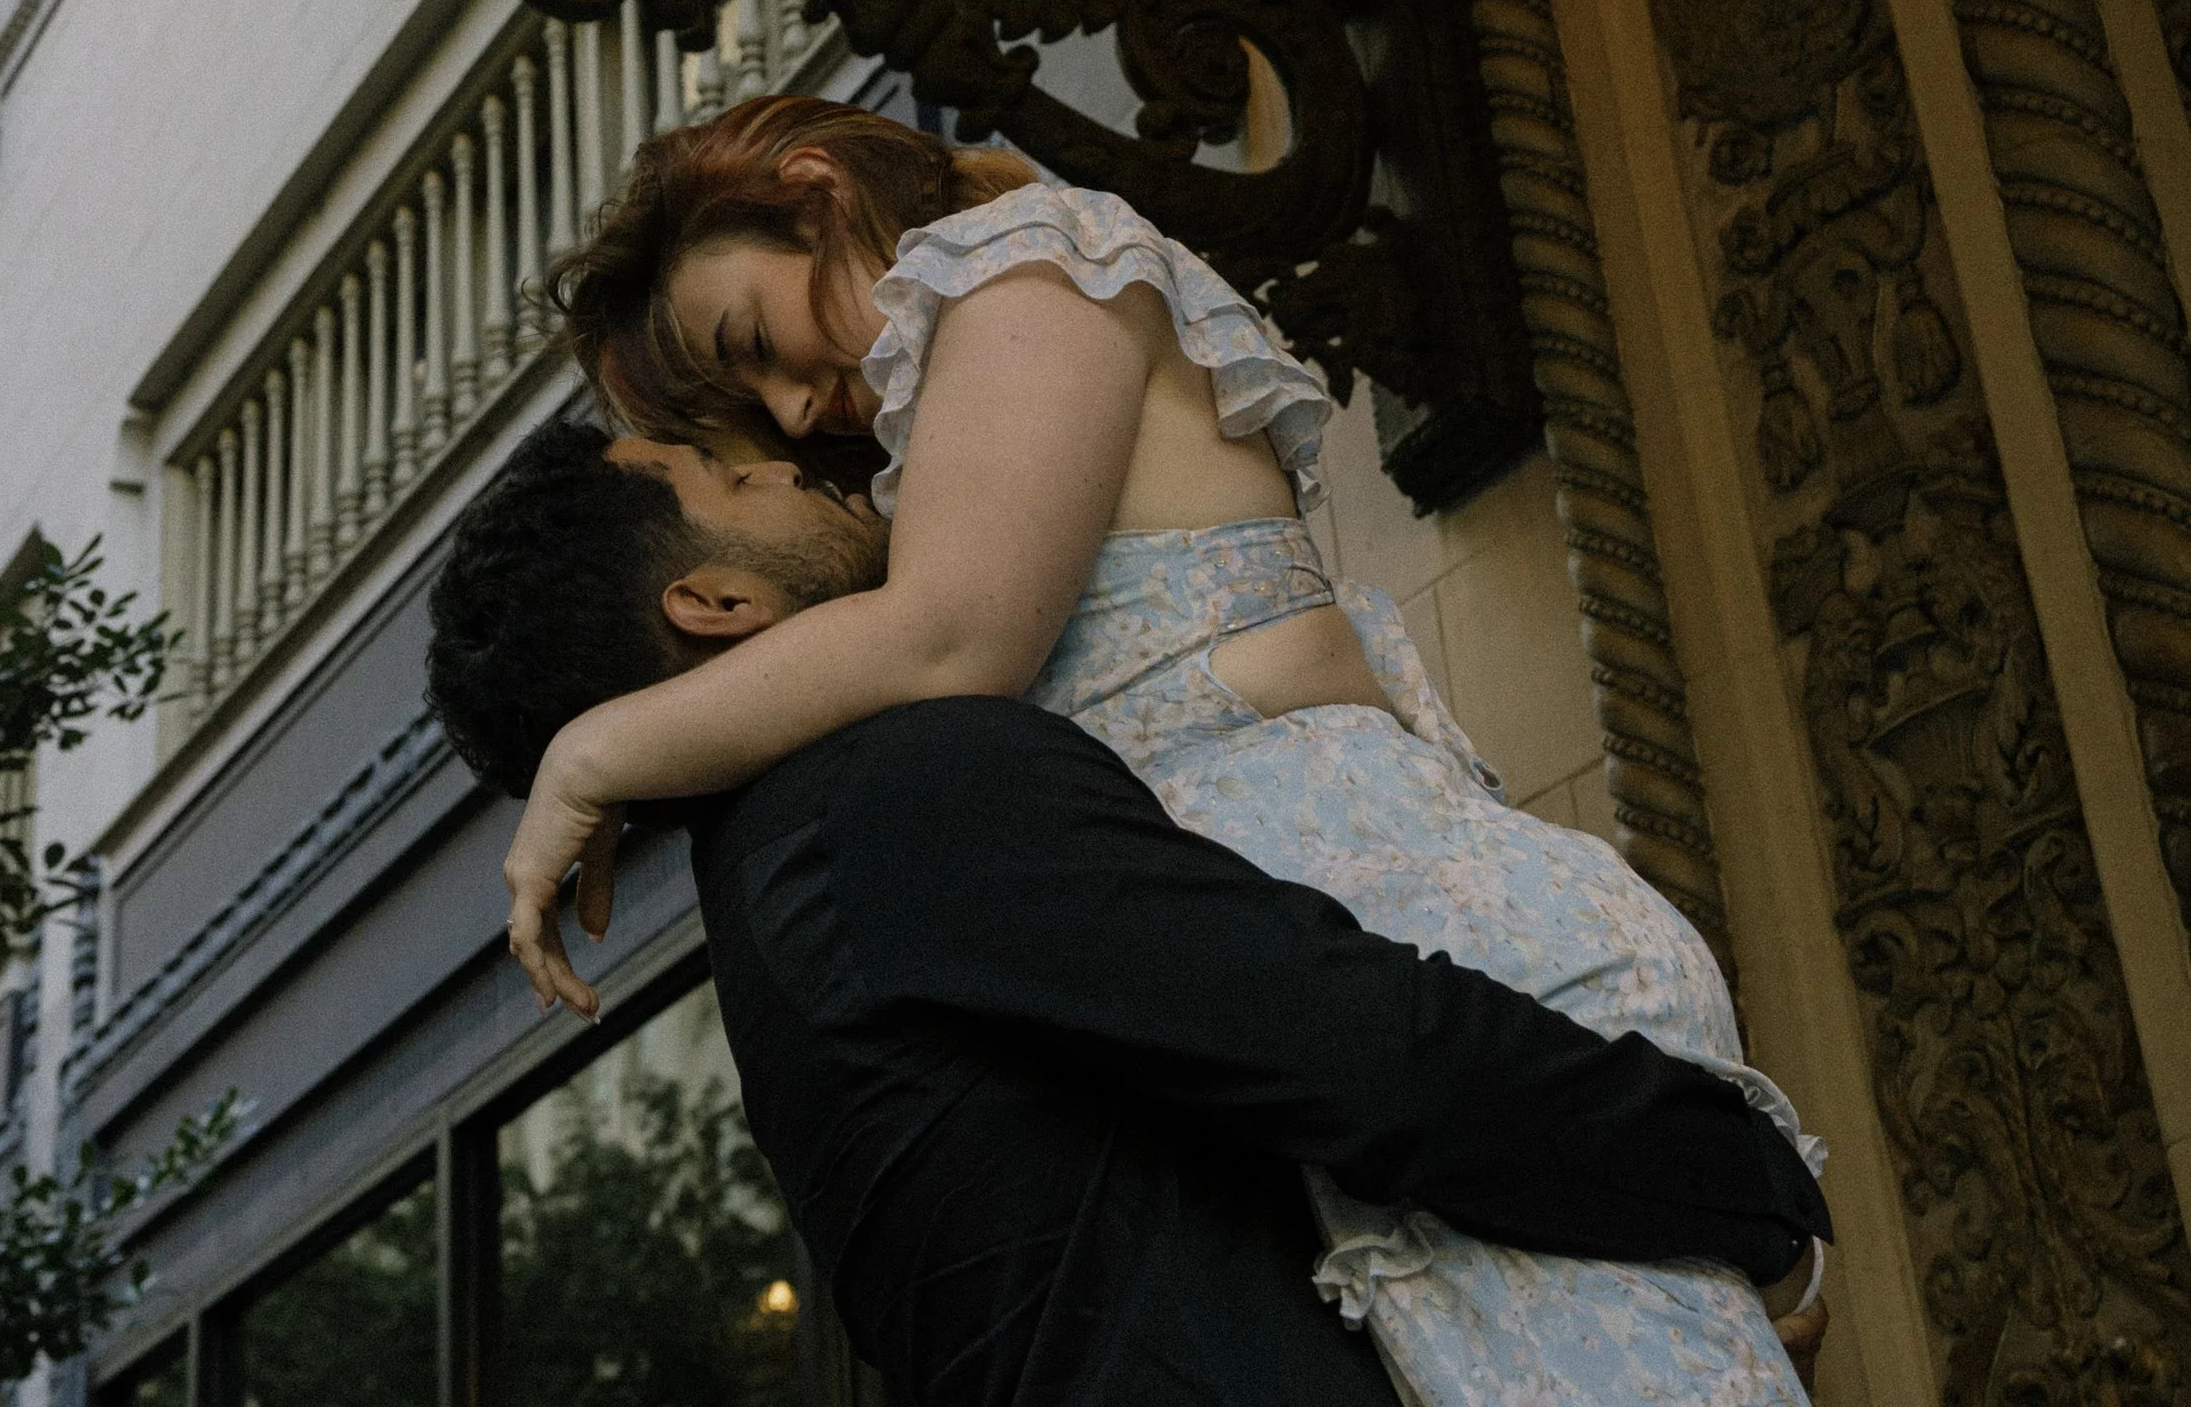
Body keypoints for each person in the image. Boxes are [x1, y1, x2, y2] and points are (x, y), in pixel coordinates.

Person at [494, 99, 1831, 1401]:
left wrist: (598, 752)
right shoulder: (943, 423)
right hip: (1383, 971)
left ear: (814, 192)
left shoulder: (1023, 272)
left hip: (1428, 959)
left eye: (756, 342)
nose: (790, 416)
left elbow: (956, 640)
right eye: (747, 407)